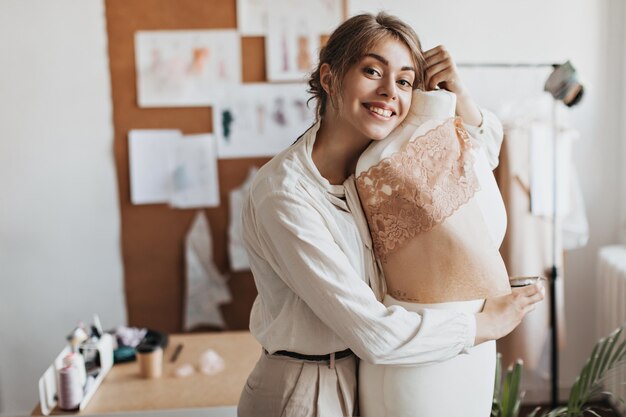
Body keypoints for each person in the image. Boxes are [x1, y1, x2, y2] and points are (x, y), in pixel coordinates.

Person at [237, 12, 544, 417]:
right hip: (304, 389)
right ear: (329, 79)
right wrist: (486, 325)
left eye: (403, 81)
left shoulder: (376, 166)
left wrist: (460, 95)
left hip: (363, 376)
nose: (388, 92)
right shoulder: (285, 194)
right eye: (372, 71)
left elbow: (474, 162)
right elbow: (374, 333)